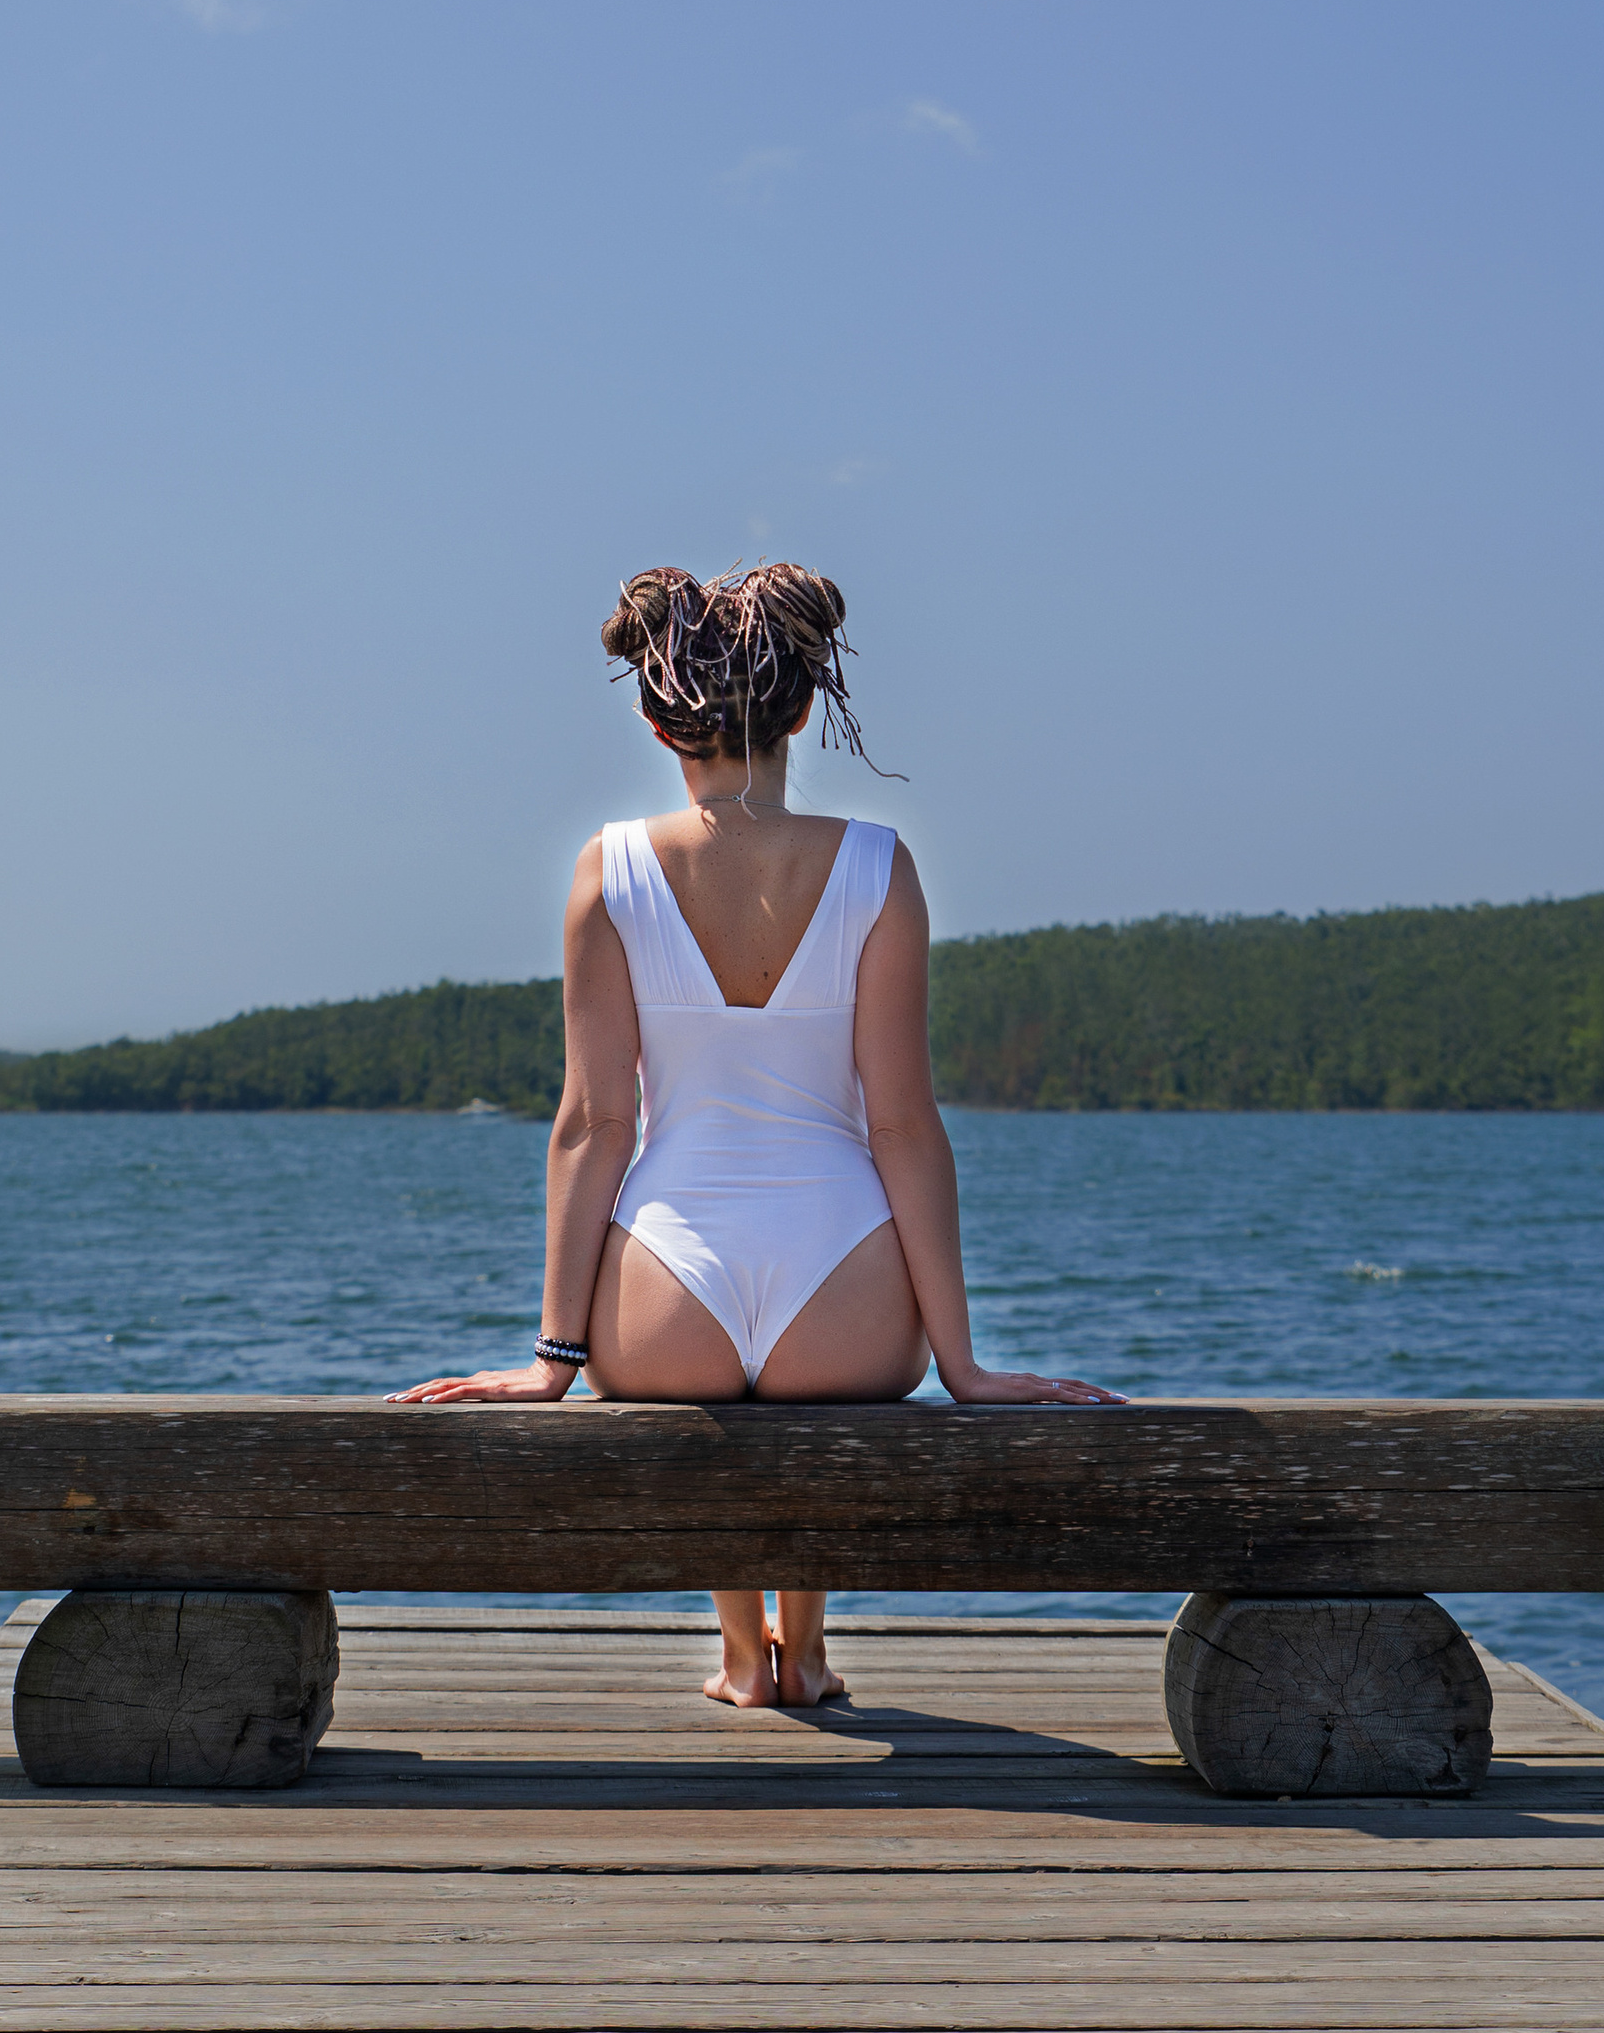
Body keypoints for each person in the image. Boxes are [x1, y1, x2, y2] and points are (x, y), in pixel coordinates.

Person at [394, 563, 1119, 1707]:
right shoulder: (878, 863)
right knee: (803, 1396)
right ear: (798, 712)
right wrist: (965, 1367)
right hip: (848, 1291)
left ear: (652, 715)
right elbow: (901, 1122)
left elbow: (594, 1123)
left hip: (660, 1300)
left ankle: (743, 1659)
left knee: (722, 1405)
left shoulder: (609, 868)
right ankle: (810, 1654)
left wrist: (551, 1362)